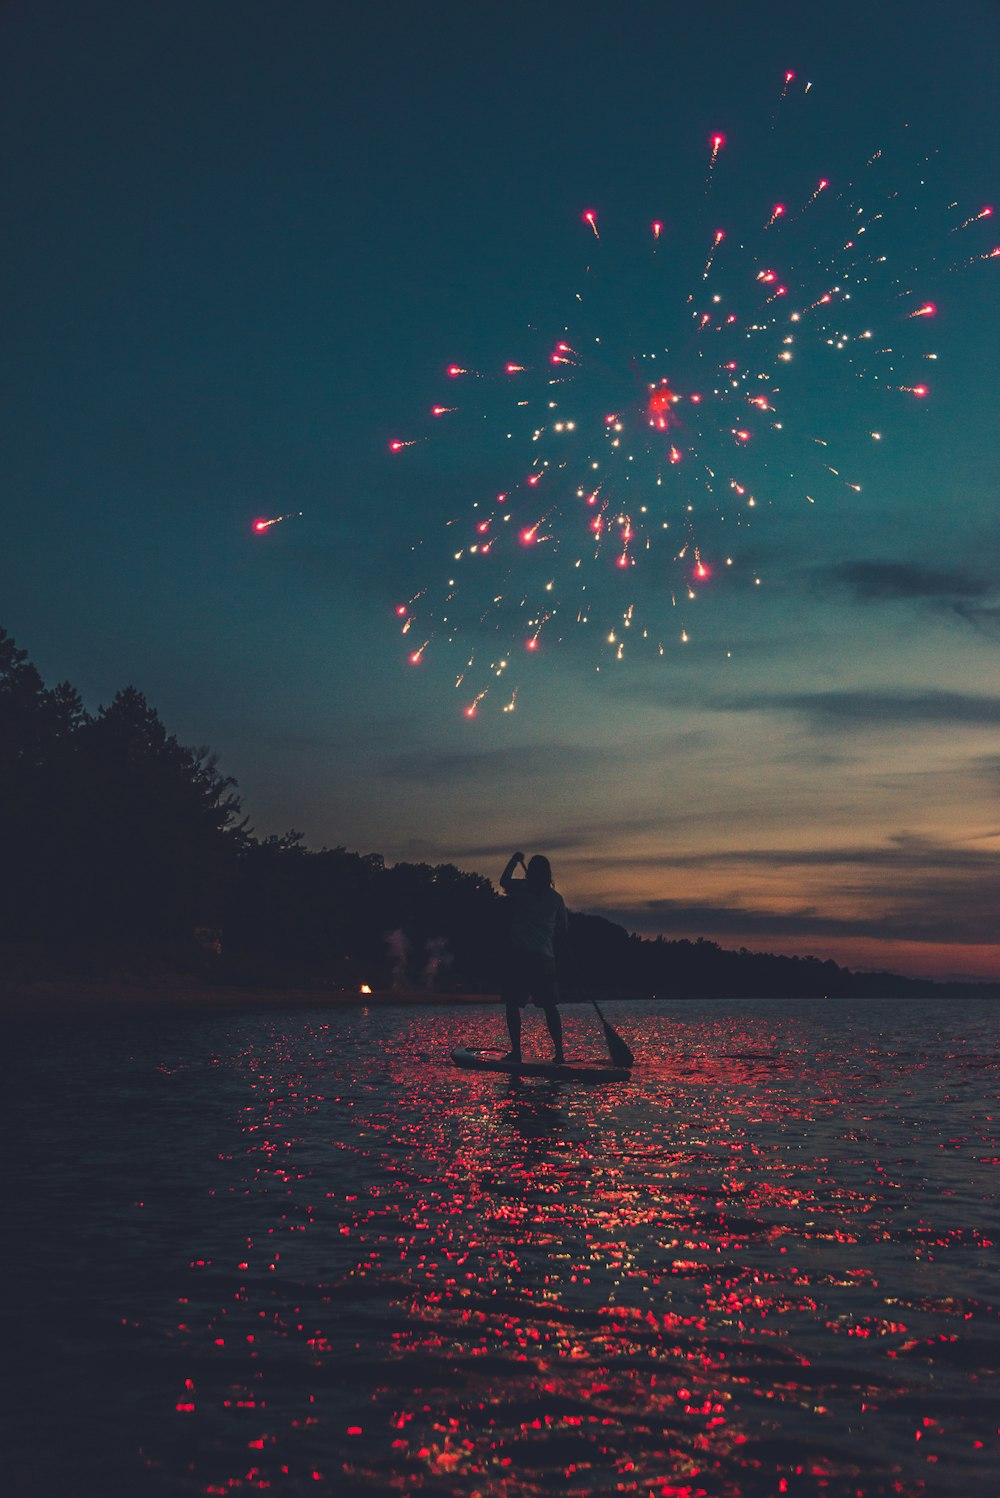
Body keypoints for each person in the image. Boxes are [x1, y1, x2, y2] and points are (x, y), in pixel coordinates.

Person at [499, 850, 568, 1064]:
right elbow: (564, 930)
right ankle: (559, 1053)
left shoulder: (522, 889)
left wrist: (513, 860)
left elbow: (503, 881)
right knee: (550, 1007)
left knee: (512, 1004)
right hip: (545, 959)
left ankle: (517, 1052)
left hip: (520, 956)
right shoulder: (556, 899)